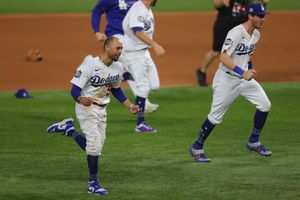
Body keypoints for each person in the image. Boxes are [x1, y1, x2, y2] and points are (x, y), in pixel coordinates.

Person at [46, 37, 139, 195]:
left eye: (121, 48)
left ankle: (69, 130)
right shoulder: (89, 65)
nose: (120, 51)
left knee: (96, 146)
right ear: (107, 48)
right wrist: (81, 99)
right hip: (86, 108)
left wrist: (129, 105)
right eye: (118, 48)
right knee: (94, 146)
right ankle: (93, 183)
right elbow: (74, 89)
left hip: (102, 110)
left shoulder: (117, 67)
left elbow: (116, 89)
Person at [189, 3, 272, 162]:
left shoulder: (256, 35)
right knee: (215, 117)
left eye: (264, 16)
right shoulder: (235, 32)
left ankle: (253, 141)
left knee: (265, 104)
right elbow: (223, 57)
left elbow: (248, 56)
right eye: (260, 16)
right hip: (226, 79)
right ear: (250, 16)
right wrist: (243, 72)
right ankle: (197, 147)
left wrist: (250, 70)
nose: (263, 19)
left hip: (244, 79)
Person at [91, 0, 160, 113]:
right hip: (116, 35)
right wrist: (96, 31)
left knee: (153, 83)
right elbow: (96, 11)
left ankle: (121, 74)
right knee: (131, 64)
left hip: (132, 37)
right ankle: (144, 102)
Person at [196, 0, 269, 86]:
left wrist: (264, 3)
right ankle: (202, 71)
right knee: (216, 51)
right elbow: (216, 4)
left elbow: (257, 12)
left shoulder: (249, 2)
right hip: (224, 26)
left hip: (238, 28)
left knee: (241, 51)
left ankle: (242, 72)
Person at [122, 0, 165, 133]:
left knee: (155, 86)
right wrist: (155, 45)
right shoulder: (138, 9)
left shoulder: (147, 8)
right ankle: (140, 124)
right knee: (143, 87)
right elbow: (138, 32)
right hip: (135, 54)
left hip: (144, 53)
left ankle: (126, 75)